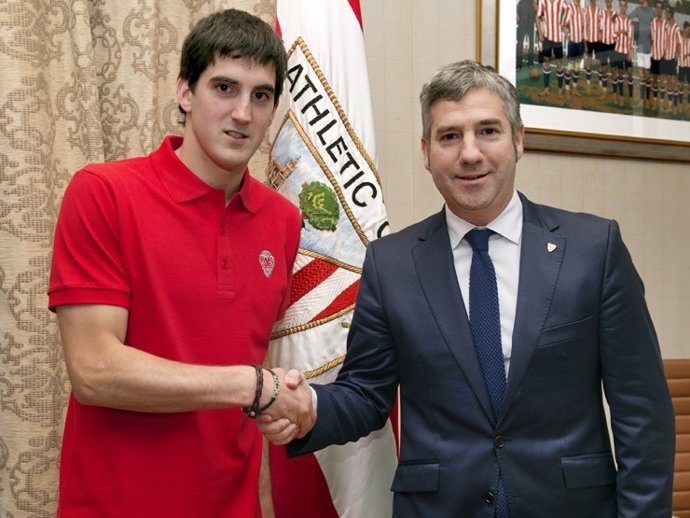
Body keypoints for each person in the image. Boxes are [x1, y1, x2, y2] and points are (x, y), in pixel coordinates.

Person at [261, 60, 676, 517]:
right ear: (426, 151)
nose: (470, 153)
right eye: (450, 136)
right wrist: (310, 406)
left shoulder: (594, 249)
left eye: (488, 131)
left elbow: (642, 414)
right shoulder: (392, 262)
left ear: (519, 140)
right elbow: (366, 394)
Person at [48, 9, 314, 518]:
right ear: (185, 93)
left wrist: (279, 409)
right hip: (114, 506)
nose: (242, 113)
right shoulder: (104, 193)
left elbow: (253, 363)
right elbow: (94, 370)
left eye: (261, 96)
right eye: (224, 88)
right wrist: (254, 387)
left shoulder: (282, 221)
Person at [536, 0, 566, 97]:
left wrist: (564, 23)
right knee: (546, 63)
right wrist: (540, 33)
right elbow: (537, 17)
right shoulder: (543, 1)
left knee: (559, 64)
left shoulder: (561, 1)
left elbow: (569, 11)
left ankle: (560, 89)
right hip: (547, 38)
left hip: (557, 39)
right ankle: (546, 89)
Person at [630, 0, 656, 108]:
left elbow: (655, 27)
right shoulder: (637, 10)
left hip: (648, 47)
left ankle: (648, 99)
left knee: (648, 76)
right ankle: (641, 100)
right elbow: (628, 18)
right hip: (640, 46)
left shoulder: (652, 11)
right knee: (641, 76)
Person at [611, 0, 635, 106]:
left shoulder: (630, 21)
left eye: (625, 6)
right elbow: (614, 35)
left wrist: (630, 52)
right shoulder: (616, 19)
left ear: (626, 7)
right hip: (618, 50)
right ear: (619, 7)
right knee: (619, 74)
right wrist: (620, 32)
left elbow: (630, 37)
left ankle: (630, 97)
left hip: (627, 52)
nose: (623, 8)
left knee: (630, 73)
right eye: (621, 6)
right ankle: (620, 97)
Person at [563, 0, 586, 97]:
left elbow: (584, 26)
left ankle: (574, 89)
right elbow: (564, 24)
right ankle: (567, 90)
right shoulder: (570, 8)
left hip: (580, 42)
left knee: (577, 68)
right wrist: (567, 36)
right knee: (570, 66)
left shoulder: (582, 10)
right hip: (573, 42)